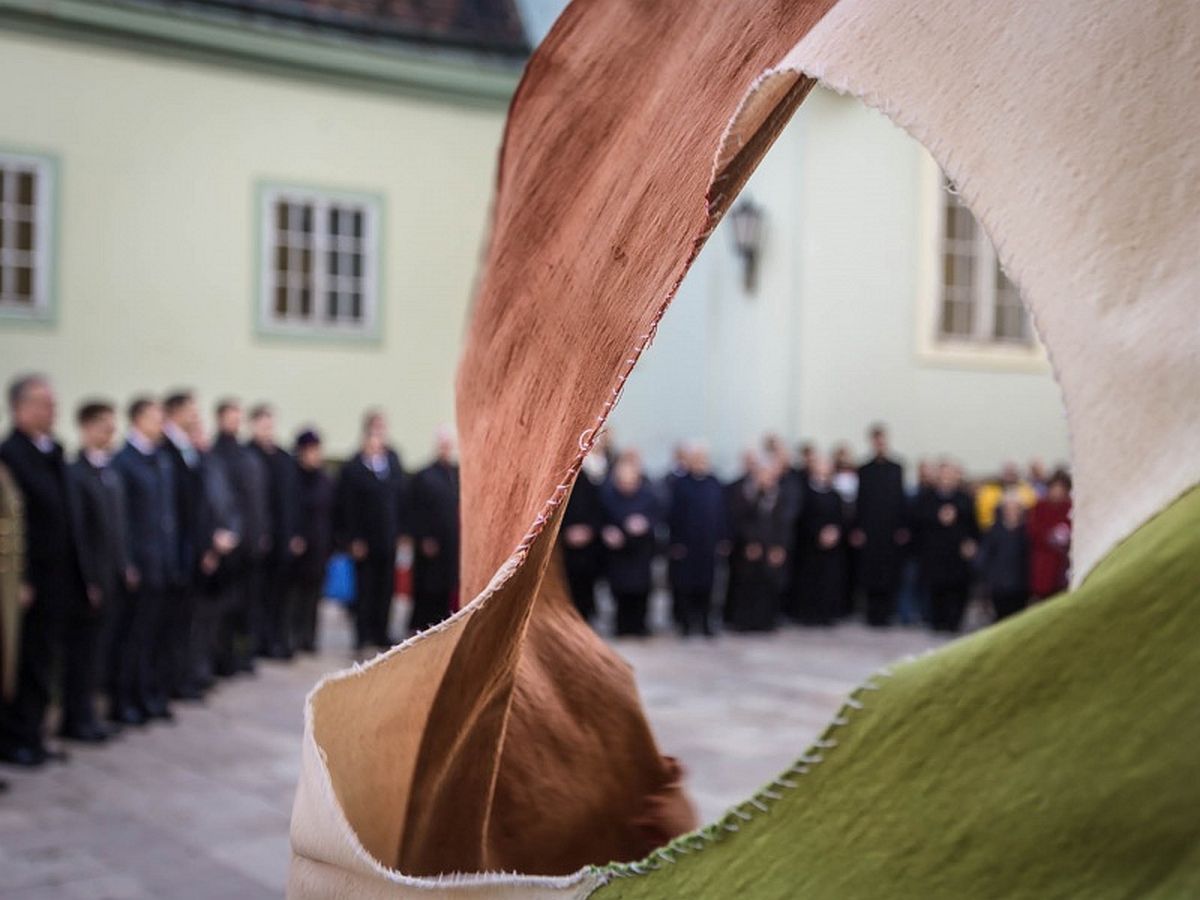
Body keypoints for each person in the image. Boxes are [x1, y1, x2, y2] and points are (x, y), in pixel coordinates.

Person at [0, 374, 87, 766]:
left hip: (59, 578)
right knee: (25, 661)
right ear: (20, 408)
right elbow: (15, 526)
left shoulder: (53, 452)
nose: (53, 410)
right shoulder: (11, 456)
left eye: (54, 403)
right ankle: (17, 738)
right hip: (27, 583)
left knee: (46, 660)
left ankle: (34, 733)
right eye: (44, 403)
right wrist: (24, 580)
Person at [111, 397, 179, 724]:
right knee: (131, 638)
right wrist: (128, 563)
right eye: (154, 417)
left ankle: (147, 694)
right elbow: (123, 520)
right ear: (137, 419)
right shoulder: (125, 461)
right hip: (139, 564)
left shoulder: (161, 459)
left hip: (161, 563)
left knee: (154, 635)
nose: (161, 424)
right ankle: (123, 701)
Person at [67, 401, 129, 740]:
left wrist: (124, 566)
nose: (110, 433)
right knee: (83, 652)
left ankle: (91, 713)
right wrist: (89, 578)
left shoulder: (109, 472)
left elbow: (118, 530)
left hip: (112, 576)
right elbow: (80, 533)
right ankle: (76, 718)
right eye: (104, 426)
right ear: (87, 428)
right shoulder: (76, 473)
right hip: (91, 580)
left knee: (101, 650)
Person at [335, 410, 408, 649]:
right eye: (374, 430)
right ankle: (361, 633)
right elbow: (346, 506)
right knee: (364, 588)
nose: (379, 436)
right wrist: (353, 539)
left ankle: (381, 631)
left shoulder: (393, 461)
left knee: (385, 589)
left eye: (382, 430)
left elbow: (400, 498)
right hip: (364, 541)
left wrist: (401, 532)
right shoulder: (354, 466)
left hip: (388, 539)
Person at [211, 398, 266, 675]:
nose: (235, 421)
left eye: (238, 417)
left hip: (249, 544)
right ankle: (222, 658)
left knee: (246, 605)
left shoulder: (245, 454)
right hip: (229, 544)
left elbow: (256, 500)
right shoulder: (216, 454)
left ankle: (241, 654)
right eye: (230, 416)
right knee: (225, 606)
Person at [188, 417, 241, 689]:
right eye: (195, 431)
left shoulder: (213, 464)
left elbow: (228, 504)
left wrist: (231, 533)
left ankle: (205, 667)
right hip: (202, 554)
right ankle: (193, 672)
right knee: (195, 620)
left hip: (222, 553)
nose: (201, 437)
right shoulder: (190, 466)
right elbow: (194, 513)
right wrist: (208, 545)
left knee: (213, 617)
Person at [247, 404, 302, 658]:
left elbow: (292, 499)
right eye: (262, 425)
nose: (267, 430)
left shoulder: (283, 458)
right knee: (256, 595)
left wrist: (293, 534)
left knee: (280, 596)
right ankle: (256, 642)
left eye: (270, 425)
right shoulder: (248, 455)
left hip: (282, 538)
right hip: (258, 540)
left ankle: (277, 640)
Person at [161, 391, 206, 697]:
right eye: (191, 409)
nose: (195, 414)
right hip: (172, 549)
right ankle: (168, 682)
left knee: (183, 621)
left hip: (189, 547)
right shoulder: (165, 450)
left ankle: (180, 679)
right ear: (176, 411)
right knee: (168, 623)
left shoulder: (188, 448)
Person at [667, 443, 728, 637]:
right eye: (697, 459)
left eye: (704, 459)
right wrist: (675, 542)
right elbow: (674, 515)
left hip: (709, 544)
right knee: (686, 585)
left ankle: (705, 623)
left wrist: (724, 538)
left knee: (707, 586)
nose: (701, 463)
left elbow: (723, 513)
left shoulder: (715, 482)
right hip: (686, 544)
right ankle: (686, 623)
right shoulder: (681, 484)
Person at [851, 424, 909, 627]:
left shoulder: (897, 467)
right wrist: (857, 528)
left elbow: (900, 499)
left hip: (890, 530)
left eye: (882, 440)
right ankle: (872, 614)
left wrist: (902, 527)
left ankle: (886, 613)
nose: (880, 444)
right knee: (870, 573)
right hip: (870, 529)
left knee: (889, 572)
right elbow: (860, 500)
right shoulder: (864, 469)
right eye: (876, 440)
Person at [912, 460, 978, 632]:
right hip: (935, 552)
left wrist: (971, 542)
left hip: (958, 553)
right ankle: (937, 621)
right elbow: (917, 522)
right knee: (936, 589)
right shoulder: (927, 497)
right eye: (943, 475)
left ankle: (954, 622)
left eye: (950, 475)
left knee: (957, 589)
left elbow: (973, 525)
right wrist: (937, 516)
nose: (947, 478)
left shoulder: (965, 498)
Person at [728, 455, 791, 631]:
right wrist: (750, 542)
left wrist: (779, 547)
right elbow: (742, 520)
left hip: (771, 547)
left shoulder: (779, 495)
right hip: (749, 547)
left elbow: (783, 523)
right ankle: (745, 622)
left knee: (768, 585)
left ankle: (766, 621)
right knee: (748, 585)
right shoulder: (746, 493)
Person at [599, 453, 659, 636]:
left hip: (641, 551)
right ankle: (622, 625)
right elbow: (600, 517)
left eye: (631, 483)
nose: (627, 487)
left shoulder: (648, 495)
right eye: (623, 483)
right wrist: (607, 531)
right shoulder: (607, 496)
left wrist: (645, 523)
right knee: (620, 590)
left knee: (641, 591)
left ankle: (640, 625)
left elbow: (658, 516)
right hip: (618, 550)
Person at [409, 428, 460, 634]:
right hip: (430, 544)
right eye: (443, 445)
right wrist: (424, 537)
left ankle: (442, 623)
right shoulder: (424, 476)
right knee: (427, 587)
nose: (446, 449)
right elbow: (416, 510)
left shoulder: (456, 474)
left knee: (446, 586)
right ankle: (422, 625)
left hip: (450, 544)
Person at [291, 429, 333, 654]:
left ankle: (309, 636)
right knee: (297, 594)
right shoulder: (294, 478)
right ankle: (294, 635)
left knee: (315, 595)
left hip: (320, 545)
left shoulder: (324, 479)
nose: (315, 455)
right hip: (300, 547)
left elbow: (332, 511)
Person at [792, 454, 844, 627]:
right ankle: (808, 614)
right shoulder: (805, 491)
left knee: (828, 581)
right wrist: (818, 533)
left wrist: (835, 532)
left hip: (831, 547)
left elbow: (841, 517)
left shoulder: (835, 494)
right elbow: (802, 518)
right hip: (810, 546)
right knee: (809, 580)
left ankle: (826, 614)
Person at [559, 449, 606, 623]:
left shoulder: (590, 485)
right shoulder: (562, 487)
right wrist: (566, 532)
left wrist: (589, 530)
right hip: (566, 546)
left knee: (587, 584)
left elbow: (598, 510)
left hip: (588, 546)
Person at [976, 491, 1030, 621]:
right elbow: (984, 556)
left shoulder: (1026, 530)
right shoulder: (994, 530)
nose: (1011, 511)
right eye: (1008, 508)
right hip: (998, 584)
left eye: (1015, 508)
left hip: (1020, 584)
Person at [1028, 469, 1072, 601]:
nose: (1058, 492)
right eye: (1055, 488)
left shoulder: (1070, 507)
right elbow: (1034, 531)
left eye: (1061, 489)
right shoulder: (1040, 507)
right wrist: (1051, 536)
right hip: (1045, 563)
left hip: (1064, 562)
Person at [975, 461, 1038, 530]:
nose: (1009, 476)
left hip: (1022, 529)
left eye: (1012, 473)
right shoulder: (989, 491)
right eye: (1007, 472)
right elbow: (984, 516)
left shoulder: (1026, 490)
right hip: (995, 529)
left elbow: (1032, 510)